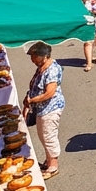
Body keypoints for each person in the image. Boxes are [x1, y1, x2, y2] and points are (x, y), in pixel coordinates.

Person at [23, 42, 64, 179]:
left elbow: (49, 93)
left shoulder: (51, 70)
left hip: (50, 108)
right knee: (43, 135)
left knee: (49, 135)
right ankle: (48, 161)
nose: (32, 60)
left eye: (35, 57)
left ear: (44, 56)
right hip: (42, 108)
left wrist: (32, 100)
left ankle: (53, 166)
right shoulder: (42, 67)